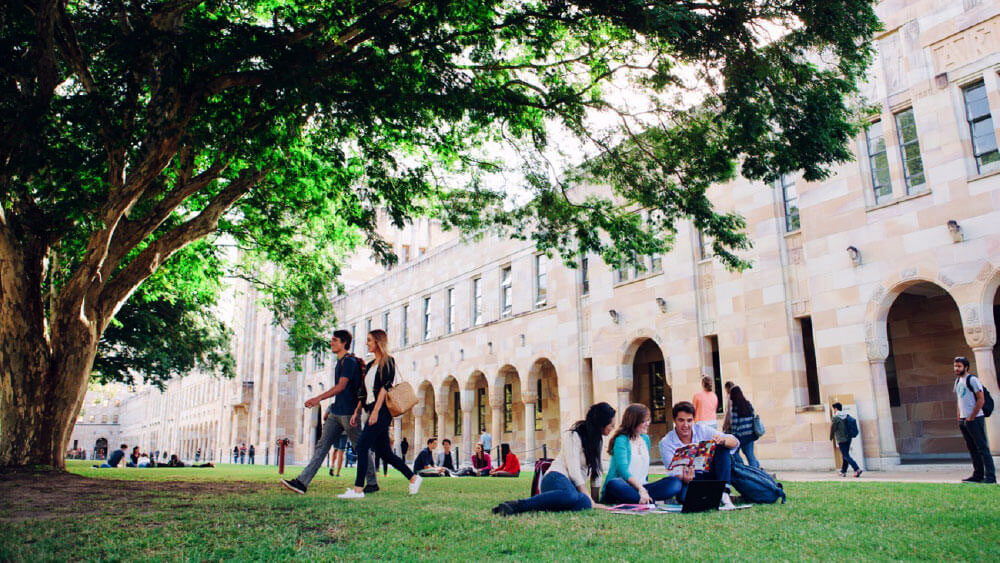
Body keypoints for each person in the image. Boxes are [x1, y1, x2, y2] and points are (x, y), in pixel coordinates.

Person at [281, 330, 378, 494]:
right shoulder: (339, 363)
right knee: (321, 447)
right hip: (336, 413)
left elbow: (341, 386)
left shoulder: (349, 363)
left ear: (344, 343)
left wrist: (317, 398)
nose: (331, 343)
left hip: (349, 415)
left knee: (360, 448)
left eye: (335, 340)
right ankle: (302, 482)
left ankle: (372, 482)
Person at [338, 329, 422, 499]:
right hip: (370, 409)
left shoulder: (388, 361)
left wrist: (375, 412)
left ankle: (357, 490)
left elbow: (384, 388)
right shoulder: (369, 366)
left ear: (378, 342)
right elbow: (364, 392)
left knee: (361, 446)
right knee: (385, 453)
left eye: (369, 340)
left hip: (381, 411)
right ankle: (413, 478)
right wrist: (356, 411)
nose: (367, 343)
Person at [492, 402, 616, 515]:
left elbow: (597, 473)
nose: (612, 429)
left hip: (572, 488)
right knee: (572, 496)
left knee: (584, 503)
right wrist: (590, 500)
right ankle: (517, 505)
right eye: (611, 425)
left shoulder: (598, 441)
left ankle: (548, 504)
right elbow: (574, 472)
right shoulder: (573, 436)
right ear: (601, 423)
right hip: (555, 478)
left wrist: (594, 501)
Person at [659, 401, 738, 508]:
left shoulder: (703, 430)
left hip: (709, 473)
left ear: (694, 420)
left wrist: (722, 440)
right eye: (681, 420)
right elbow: (672, 470)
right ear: (674, 421)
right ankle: (714, 495)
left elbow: (735, 442)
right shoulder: (666, 442)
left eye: (689, 420)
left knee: (722, 447)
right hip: (688, 479)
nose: (685, 425)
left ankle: (724, 493)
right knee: (685, 498)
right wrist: (684, 477)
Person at [601, 404, 683, 505]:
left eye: (648, 420)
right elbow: (623, 471)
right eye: (643, 421)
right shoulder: (621, 440)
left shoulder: (645, 439)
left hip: (642, 487)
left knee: (675, 482)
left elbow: (644, 471)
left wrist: (643, 489)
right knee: (614, 484)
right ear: (633, 422)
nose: (647, 424)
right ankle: (648, 500)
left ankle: (640, 499)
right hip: (623, 487)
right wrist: (640, 489)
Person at [953, 356, 995, 484]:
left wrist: (971, 417)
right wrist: (959, 417)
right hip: (964, 420)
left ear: (966, 367)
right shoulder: (957, 381)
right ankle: (977, 475)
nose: (956, 369)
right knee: (972, 448)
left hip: (975, 419)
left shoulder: (973, 380)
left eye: (959, 366)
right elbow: (959, 400)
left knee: (982, 448)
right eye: (955, 366)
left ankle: (990, 477)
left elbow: (981, 399)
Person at [728, 386, 761, 468]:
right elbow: (752, 416)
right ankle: (757, 472)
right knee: (750, 456)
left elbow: (735, 424)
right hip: (750, 434)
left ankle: (742, 467)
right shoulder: (748, 404)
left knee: (734, 453)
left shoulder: (735, 408)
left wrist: (732, 433)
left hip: (740, 436)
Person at [829, 402, 861, 478]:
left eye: (834, 409)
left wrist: (831, 437)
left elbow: (833, 428)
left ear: (836, 409)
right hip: (848, 438)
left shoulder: (835, 417)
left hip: (841, 439)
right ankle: (843, 471)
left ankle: (857, 469)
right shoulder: (846, 415)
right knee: (845, 455)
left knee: (845, 455)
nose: (833, 410)